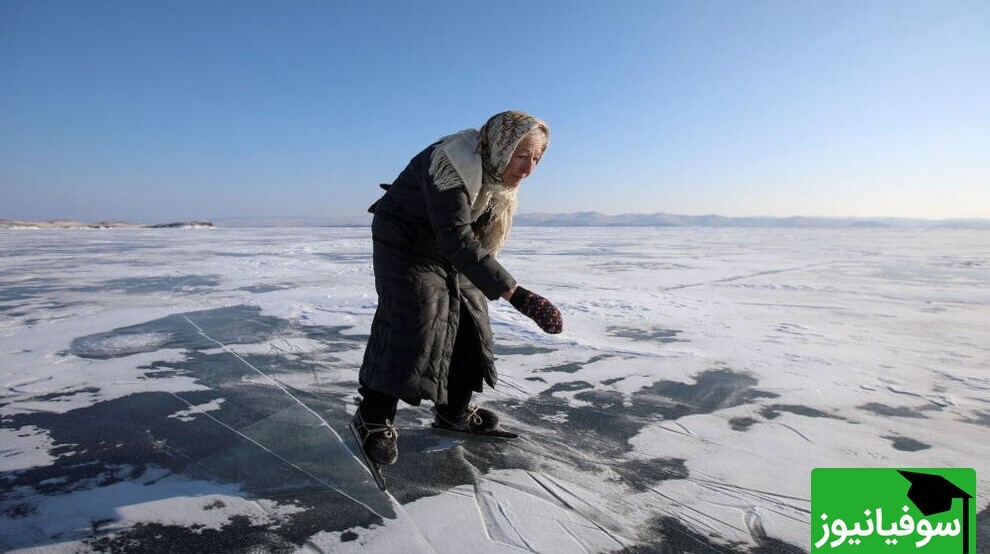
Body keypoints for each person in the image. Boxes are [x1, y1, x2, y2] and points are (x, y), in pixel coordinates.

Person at [353, 110, 563, 467]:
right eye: (520, 155)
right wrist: (518, 295)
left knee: (470, 317)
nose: (527, 168)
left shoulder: (498, 180)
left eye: (536, 159)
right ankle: (373, 418)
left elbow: (471, 243)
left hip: (448, 247)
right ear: (501, 146)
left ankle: (454, 411)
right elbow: (458, 241)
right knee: (416, 315)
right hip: (405, 242)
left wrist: (486, 279)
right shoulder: (451, 164)